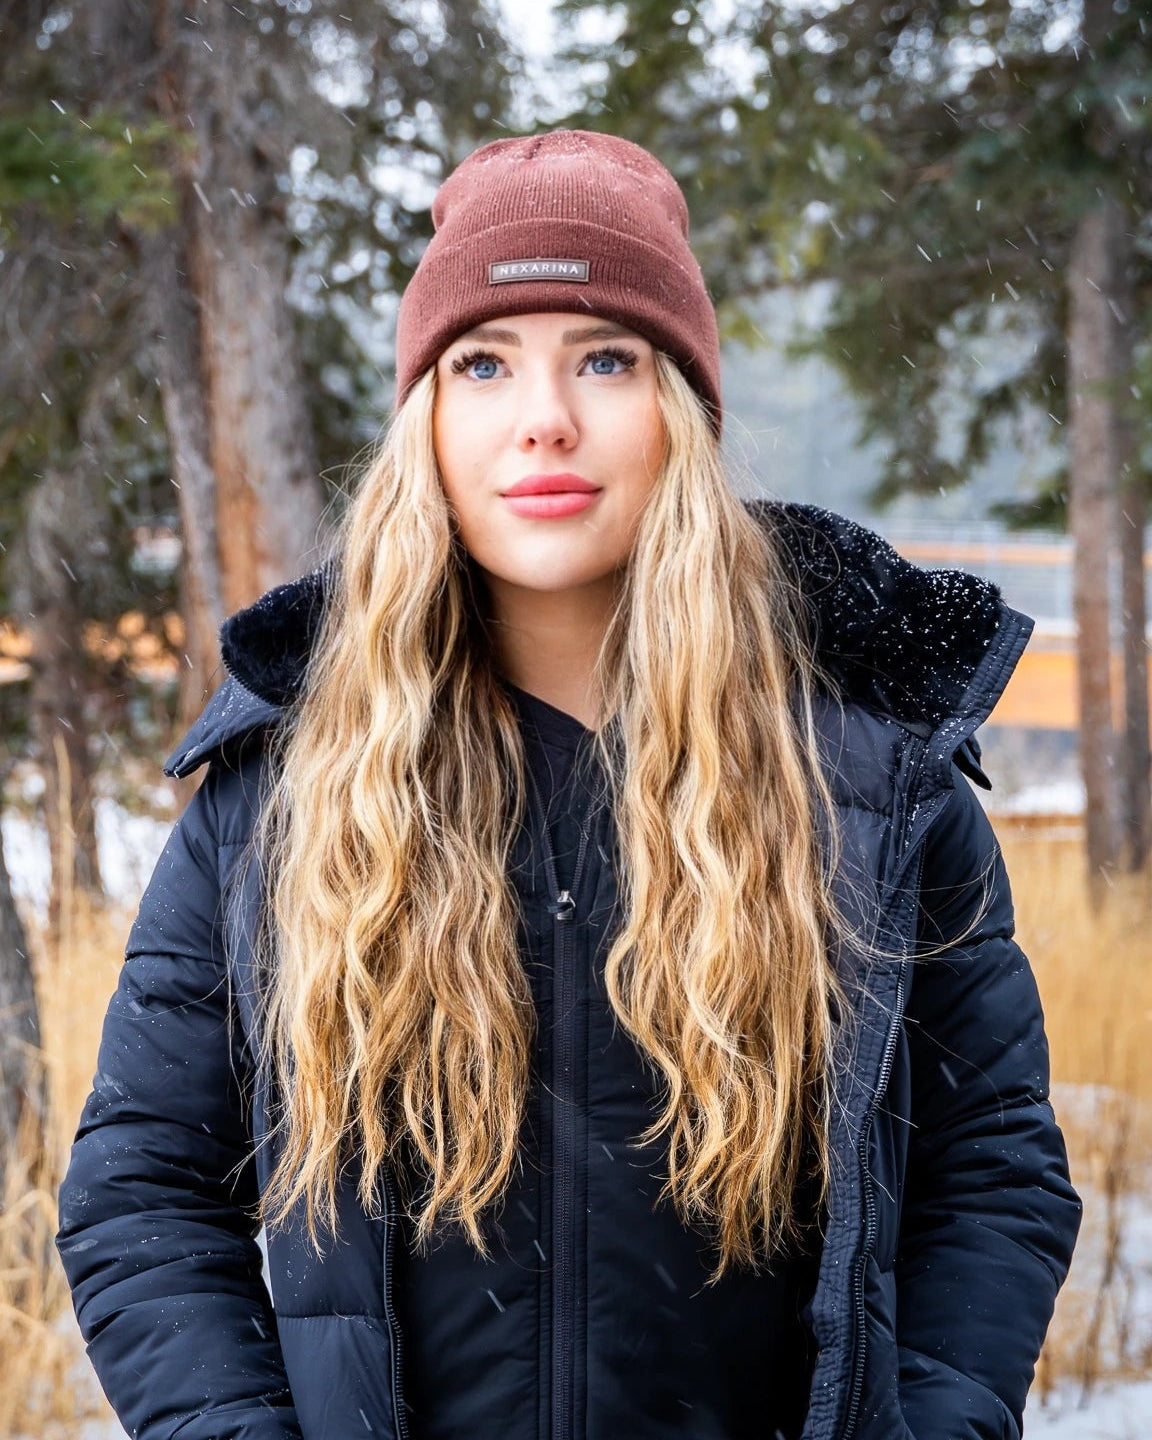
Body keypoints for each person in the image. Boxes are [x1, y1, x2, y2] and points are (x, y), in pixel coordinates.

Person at [56, 129, 1081, 1440]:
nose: (544, 416)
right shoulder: (284, 794)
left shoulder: (869, 780)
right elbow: (142, 1196)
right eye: (484, 364)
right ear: (428, 422)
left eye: (605, 358)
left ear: (682, 413)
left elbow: (991, 1177)